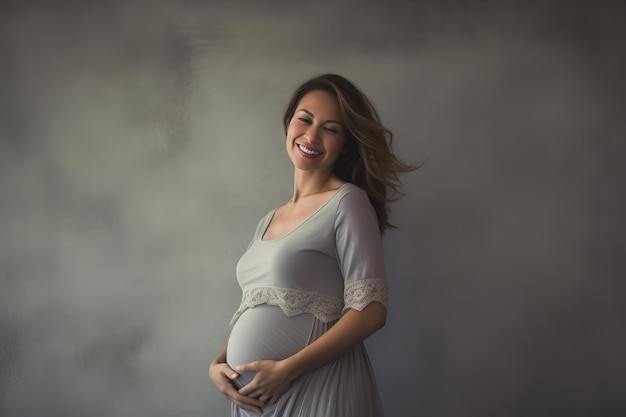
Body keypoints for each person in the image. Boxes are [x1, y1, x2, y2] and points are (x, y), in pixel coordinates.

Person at [209, 74, 415, 416]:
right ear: (289, 124)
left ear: (346, 144)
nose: (312, 135)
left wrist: (288, 370)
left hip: (317, 387)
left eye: (330, 128)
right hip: (257, 401)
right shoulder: (269, 219)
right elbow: (258, 305)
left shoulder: (348, 201)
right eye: (304, 119)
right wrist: (218, 364)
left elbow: (371, 311)